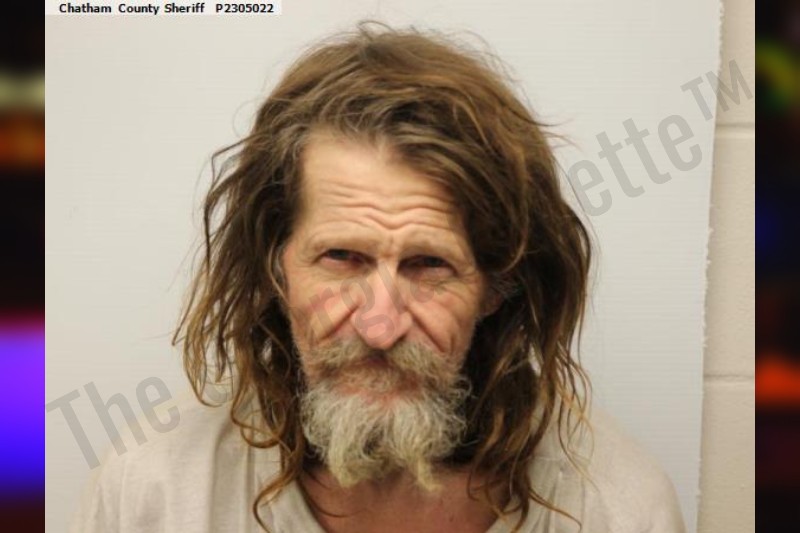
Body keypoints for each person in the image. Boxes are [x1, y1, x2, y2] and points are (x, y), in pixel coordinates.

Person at [70, 23, 686, 533]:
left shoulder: (614, 508)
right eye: (341, 257)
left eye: (430, 265)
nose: (379, 326)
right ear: (276, 267)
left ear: (497, 285)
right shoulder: (155, 492)